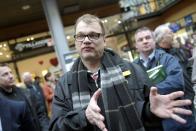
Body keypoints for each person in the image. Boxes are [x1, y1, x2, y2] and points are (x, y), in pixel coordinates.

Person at [49, 14, 192, 131]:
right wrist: (84, 117)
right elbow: (55, 127)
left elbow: (148, 112)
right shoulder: (64, 84)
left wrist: (150, 111)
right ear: (75, 41)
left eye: (93, 35)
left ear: (104, 40)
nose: (86, 40)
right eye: (80, 36)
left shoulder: (133, 70)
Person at [134, 26, 196, 131]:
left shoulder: (167, 58)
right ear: (136, 45)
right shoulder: (132, 67)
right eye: (140, 40)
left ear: (154, 40)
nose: (145, 41)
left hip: (177, 119)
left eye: (148, 37)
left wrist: (147, 91)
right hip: (152, 123)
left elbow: (176, 83)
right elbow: (132, 94)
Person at [0, 64, 49, 131]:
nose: (11, 76)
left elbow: (40, 113)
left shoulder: (26, 93)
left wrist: (46, 129)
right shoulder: (2, 101)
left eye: (11, 72)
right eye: (5, 74)